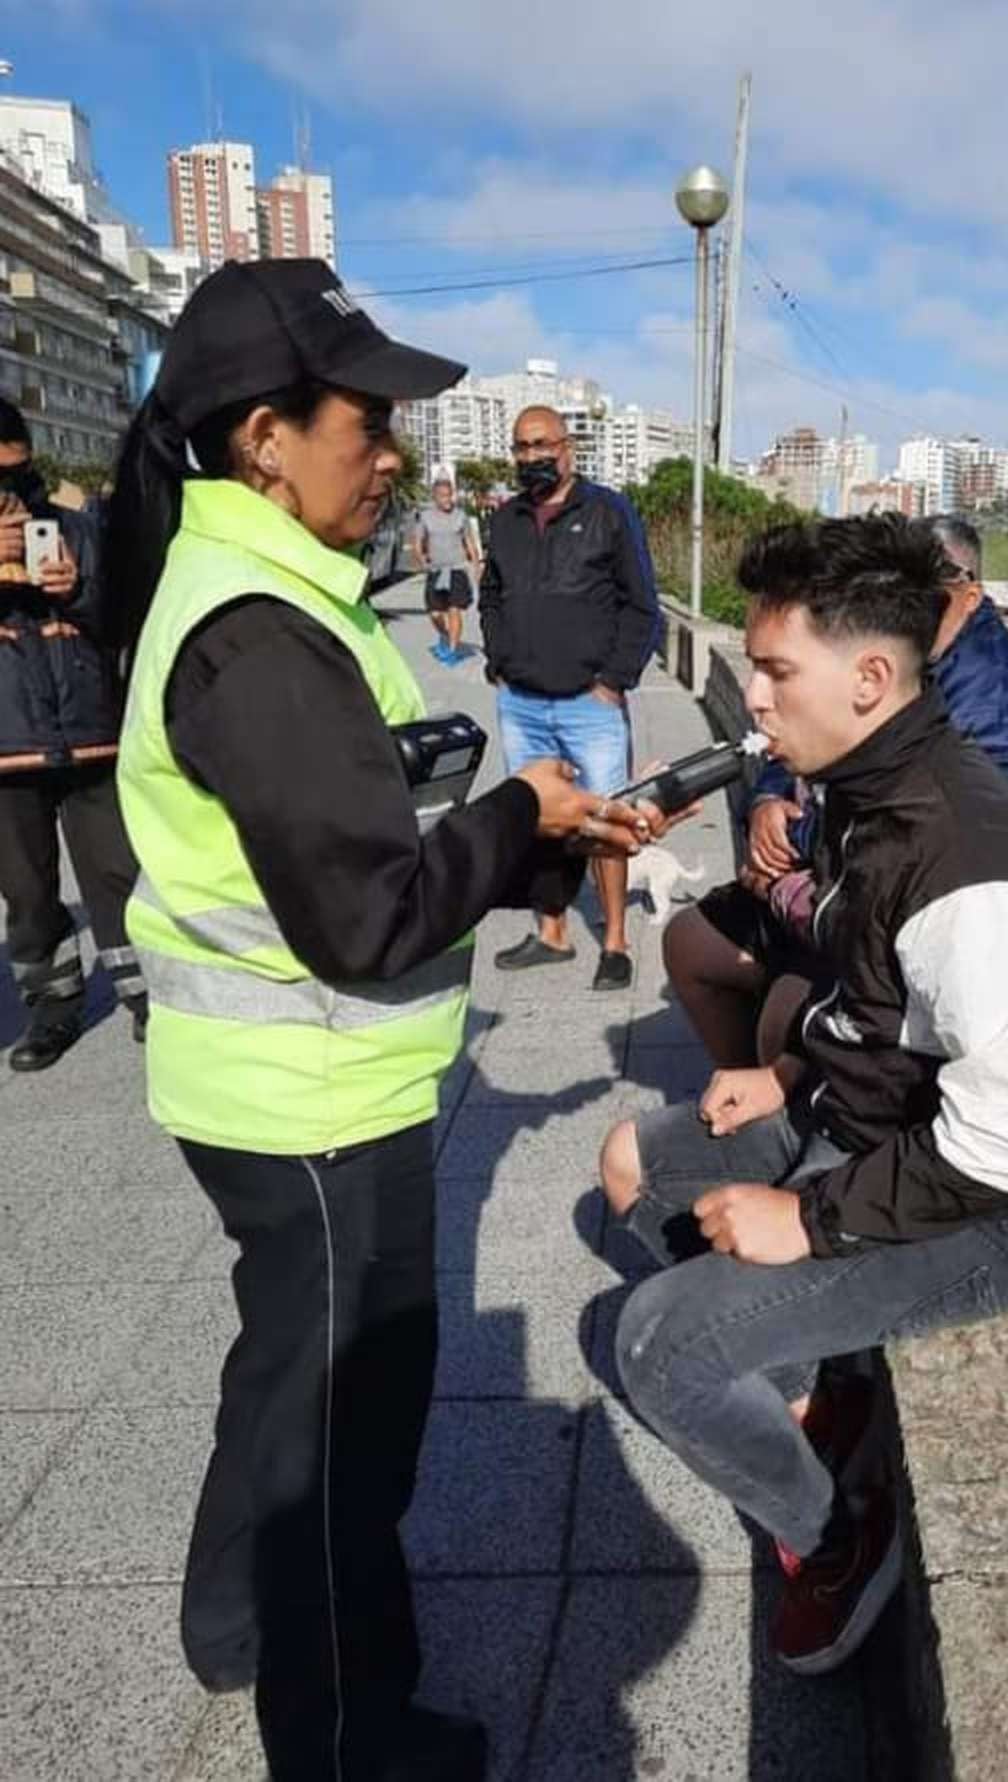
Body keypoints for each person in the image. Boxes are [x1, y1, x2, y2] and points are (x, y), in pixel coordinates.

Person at [105, 258, 651, 1782]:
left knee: (284, 1371)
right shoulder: (259, 631)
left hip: (268, 1088)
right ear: (263, 437)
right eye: (368, 416)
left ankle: (232, 1618)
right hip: (316, 1102)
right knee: (345, 1445)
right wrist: (516, 811)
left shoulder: (248, 589)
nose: (396, 448)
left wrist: (530, 831)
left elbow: (342, 854)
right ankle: (345, 1737)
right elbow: (366, 917)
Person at [598, 514, 1008, 1677]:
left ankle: (834, 1536)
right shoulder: (870, 787)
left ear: (872, 677)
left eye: (775, 673)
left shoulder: (964, 853)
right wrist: (775, 1069)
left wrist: (808, 1220)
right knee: (634, 1159)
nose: (756, 704)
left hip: (985, 1215)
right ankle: (806, 1393)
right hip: (859, 1124)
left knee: (656, 1343)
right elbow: (876, 1001)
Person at [664, 511, 1008, 1066]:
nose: (755, 697)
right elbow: (795, 730)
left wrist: (788, 868)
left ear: (971, 595)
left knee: (785, 1020)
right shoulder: (880, 653)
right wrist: (768, 798)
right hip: (829, 879)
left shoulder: (1003, 708)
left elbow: (935, 844)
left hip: (880, 907)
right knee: (689, 942)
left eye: (935, 583)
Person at [478, 406, 659, 991]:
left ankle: (614, 942)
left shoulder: (608, 511)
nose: (531, 456)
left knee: (606, 821)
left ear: (567, 449)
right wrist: (499, 662)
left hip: (591, 702)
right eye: (520, 447)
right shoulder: (504, 519)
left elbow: (642, 605)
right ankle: (551, 932)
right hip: (522, 703)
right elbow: (492, 596)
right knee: (539, 819)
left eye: (541, 444)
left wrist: (613, 681)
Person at [0, 400, 146, 1069]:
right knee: (27, 893)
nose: (13, 496)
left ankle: (150, 995)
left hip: (91, 737)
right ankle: (52, 1007)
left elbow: (121, 619)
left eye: (21, 475)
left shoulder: (77, 530)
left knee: (119, 874)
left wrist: (78, 585)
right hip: (8, 748)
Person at [413, 474, 481, 665]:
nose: (447, 499)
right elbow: (417, 543)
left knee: (454, 610)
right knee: (435, 613)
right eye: (442, 496)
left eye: (450, 495)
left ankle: (452, 650)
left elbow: (469, 542)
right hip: (436, 570)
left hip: (457, 569)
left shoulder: (461, 516)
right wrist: (422, 561)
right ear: (435, 497)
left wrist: (476, 566)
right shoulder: (426, 517)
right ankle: (446, 635)